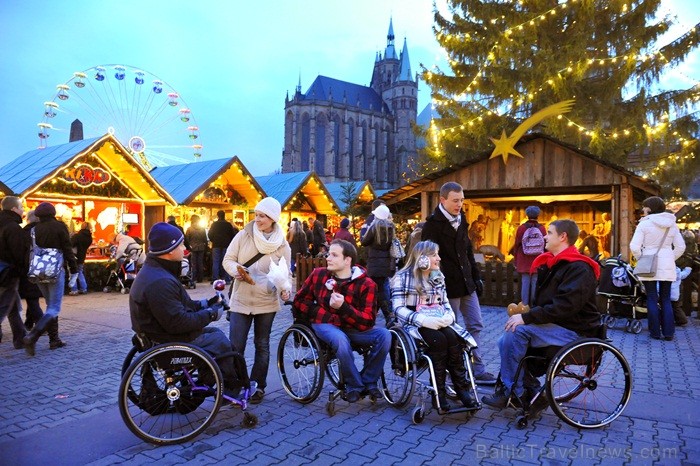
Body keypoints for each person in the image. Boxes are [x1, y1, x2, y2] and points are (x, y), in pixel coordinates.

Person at [482, 219, 602, 408]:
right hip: (560, 325)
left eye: (550, 233)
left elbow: (565, 306)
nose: (545, 236)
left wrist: (527, 318)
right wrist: (526, 313)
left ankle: (516, 392)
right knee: (506, 338)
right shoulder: (554, 264)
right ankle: (525, 389)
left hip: (577, 331)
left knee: (516, 332)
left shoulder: (579, 268)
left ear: (563, 237)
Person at [128, 222, 243, 398]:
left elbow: (178, 305)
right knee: (220, 341)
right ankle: (231, 387)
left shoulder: (154, 272)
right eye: (180, 245)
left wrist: (206, 303)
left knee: (212, 333)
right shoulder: (161, 282)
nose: (184, 248)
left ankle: (212, 379)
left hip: (158, 336)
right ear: (170, 251)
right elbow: (179, 322)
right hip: (169, 341)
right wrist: (211, 314)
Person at [293, 239, 390, 402]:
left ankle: (368, 381)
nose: (328, 258)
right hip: (325, 324)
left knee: (385, 335)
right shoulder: (319, 275)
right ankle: (355, 385)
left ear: (347, 260)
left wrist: (344, 307)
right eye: (329, 254)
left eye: (334, 255)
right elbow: (300, 301)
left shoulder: (367, 284)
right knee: (340, 338)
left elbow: (367, 322)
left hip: (353, 328)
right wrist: (322, 312)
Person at [421, 182, 496, 385]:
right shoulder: (432, 225)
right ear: (442, 200)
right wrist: (438, 283)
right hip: (447, 287)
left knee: (476, 324)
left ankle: (477, 368)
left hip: (466, 283)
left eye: (462, 200)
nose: (460, 204)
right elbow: (428, 259)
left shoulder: (462, 219)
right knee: (450, 329)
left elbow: (467, 251)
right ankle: (450, 372)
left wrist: (476, 275)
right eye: (455, 200)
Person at [392, 240, 478, 411]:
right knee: (439, 341)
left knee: (454, 339)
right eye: (434, 255)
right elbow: (397, 308)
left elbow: (445, 302)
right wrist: (421, 320)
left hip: (438, 319)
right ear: (421, 258)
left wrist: (449, 316)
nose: (439, 258)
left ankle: (462, 389)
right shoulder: (402, 277)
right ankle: (438, 393)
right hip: (414, 323)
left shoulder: (437, 276)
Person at [223, 197, 291, 404]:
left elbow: (284, 274)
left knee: (262, 345)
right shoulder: (243, 235)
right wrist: (237, 271)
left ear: (272, 218)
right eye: (257, 214)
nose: (257, 219)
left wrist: (285, 290)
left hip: (266, 301)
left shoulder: (282, 244)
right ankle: (233, 387)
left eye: (262, 216)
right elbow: (228, 259)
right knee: (236, 346)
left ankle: (257, 385)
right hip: (241, 298)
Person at [23, 202, 78, 355]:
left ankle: (54, 339)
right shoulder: (60, 227)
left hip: (39, 271)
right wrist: (73, 270)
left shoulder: (34, 229)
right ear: (53, 213)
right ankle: (33, 336)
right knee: (54, 307)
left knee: (50, 306)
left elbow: (30, 252)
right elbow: (67, 248)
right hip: (55, 270)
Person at [630, 196, 685, 341]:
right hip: (667, 264)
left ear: (650, 208)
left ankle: (654, 332)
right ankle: (668, 333)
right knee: (666, 298)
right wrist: (669, 258)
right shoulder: (672, 224)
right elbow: (681, 247)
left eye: (644, 206)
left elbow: (634, 247)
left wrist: (641, 257)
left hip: (649, 264)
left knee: (652, 298)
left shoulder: (644, 224)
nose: (642, 209)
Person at [0, 196, 30, 349]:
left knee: (11, 306)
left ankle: (20, 338)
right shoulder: (13, 228)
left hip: (4, 272)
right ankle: (20, 338)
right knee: (5, 305)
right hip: (7, 273)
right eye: (21, 207)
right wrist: (21, 271)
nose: (23, 210)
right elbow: (19, 253)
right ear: (13, 209)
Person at [360, 204, 396, 325]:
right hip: (385, 263)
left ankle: (379, 315)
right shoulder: (391, 228)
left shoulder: (374, 227)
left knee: (375, 290)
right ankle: (387, 315)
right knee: (382, 289)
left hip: (374, 263)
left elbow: (364, 242)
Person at [510, 206, 546, 305]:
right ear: (538, 215)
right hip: (538, 259)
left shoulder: (521, 228)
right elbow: (545, 245)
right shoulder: (542, 228)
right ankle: (534, 305)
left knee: (525, 282)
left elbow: (517, 244)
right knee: (535, 282)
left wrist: (516, 259)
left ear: (527, 215)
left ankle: (524, 305)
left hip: (524, 258)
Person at [20, 210, 44, 331]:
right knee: (33, 296)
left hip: (28, 267)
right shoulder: (44, 230)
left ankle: (42, 324)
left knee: (31, 296)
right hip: (43, 268)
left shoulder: (24, 232)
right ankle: (29, 322)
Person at [208, 210, 237, 284]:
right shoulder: (228, 224)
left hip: (216, 245)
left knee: (216, 262)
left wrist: (213, 240)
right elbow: (233, 235)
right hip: (226, 245)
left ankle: (215, 279)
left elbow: (210, 234)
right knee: (226, 261)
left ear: (217, 215)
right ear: (224, 215)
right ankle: (227, 278)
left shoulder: (214, 224)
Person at [69, 222, 93, 295]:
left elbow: (71, 244)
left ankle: (74, 290)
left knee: (73, 273)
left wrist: (71, 237)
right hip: (82, 257)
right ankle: (83, 288)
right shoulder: (89, 237)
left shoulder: (77, 236)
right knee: (80, 272)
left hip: (74, 256)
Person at [185, 215, 208, 283]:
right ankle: (200, 278)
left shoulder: (189, 229)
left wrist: (189, 247)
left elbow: (187, 239)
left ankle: (193, 278)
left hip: (193, 247)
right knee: (200, 263)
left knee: (193, 263)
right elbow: (205, 239)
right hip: (201, 247)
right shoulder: (202, 229)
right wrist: (205, 247)